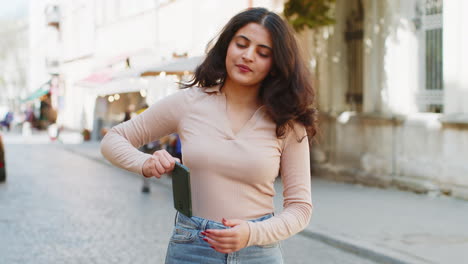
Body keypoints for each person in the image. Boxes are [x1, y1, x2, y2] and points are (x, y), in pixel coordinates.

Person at [101, 7, 317, 263]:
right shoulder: (189, 103)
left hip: (259, 252)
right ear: (227, 46)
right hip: (192, 248)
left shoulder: (288, 121)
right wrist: (145, 164)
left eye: (262, 53)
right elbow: (112, 139)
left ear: (274, 65)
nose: (248, 56)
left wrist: (253, 233)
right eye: (241, 44)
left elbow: (300, 208)